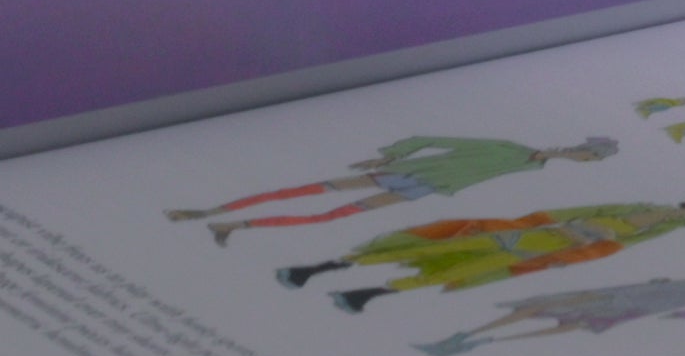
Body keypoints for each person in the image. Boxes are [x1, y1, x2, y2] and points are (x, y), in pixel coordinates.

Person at [278, 199, 685, 311]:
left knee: (454, 272)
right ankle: (315, 268)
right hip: (523, 235)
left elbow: (611, 246)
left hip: (547, 249)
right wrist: (532, 224)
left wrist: (571, 253)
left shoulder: (663, 228)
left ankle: (366, 295)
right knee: (427, 249)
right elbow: (576, 214)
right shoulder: (640, 206)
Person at [167, 134, 615, 242]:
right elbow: (433, 138)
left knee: (330, 216)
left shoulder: (533, 169)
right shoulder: (510, 148)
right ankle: (207, 213)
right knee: (302, 192)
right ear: (581, 149)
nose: (583, 161)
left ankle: (231, 226)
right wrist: (388, 157)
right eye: (587, 156)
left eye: (589, 161)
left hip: (425, 189)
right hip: (409, 174)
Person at [415, 251, 685, 354]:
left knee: (582, 318)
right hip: (678, 286)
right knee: (563, 301)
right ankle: (466, 336)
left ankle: (483, 343)